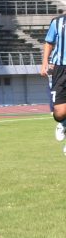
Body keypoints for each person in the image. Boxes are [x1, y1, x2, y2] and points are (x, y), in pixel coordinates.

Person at [42, 13, 66, 146]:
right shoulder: (57, 22)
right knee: (59, 113)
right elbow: (49, 43)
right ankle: (63, 123)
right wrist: (45, 62)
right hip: (60, 69)